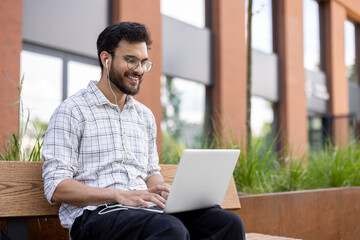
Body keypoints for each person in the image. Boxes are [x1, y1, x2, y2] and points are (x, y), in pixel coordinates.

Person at [42, 21, 245, 240]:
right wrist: (119, 195)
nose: (139, 70)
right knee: (169, 229)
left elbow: (150, 172)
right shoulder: (72, 111)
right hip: (95, 215)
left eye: (144, 62)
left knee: (226, 224)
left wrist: (165, 191)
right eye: (131, 60)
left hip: (144, 211)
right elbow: (56, 186)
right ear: (106, 59)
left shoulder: (144, 116)